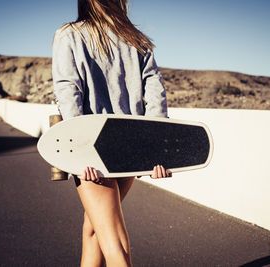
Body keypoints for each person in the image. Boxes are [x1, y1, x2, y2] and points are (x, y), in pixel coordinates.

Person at [52, 0, 171, 266]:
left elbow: (68, 91)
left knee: (114, 243)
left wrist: (79, 151)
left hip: (94, 146)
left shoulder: (70, 34)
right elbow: (155, 95)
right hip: (132, 145)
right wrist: (154, 147)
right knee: (94, 230)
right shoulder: (138, 42)